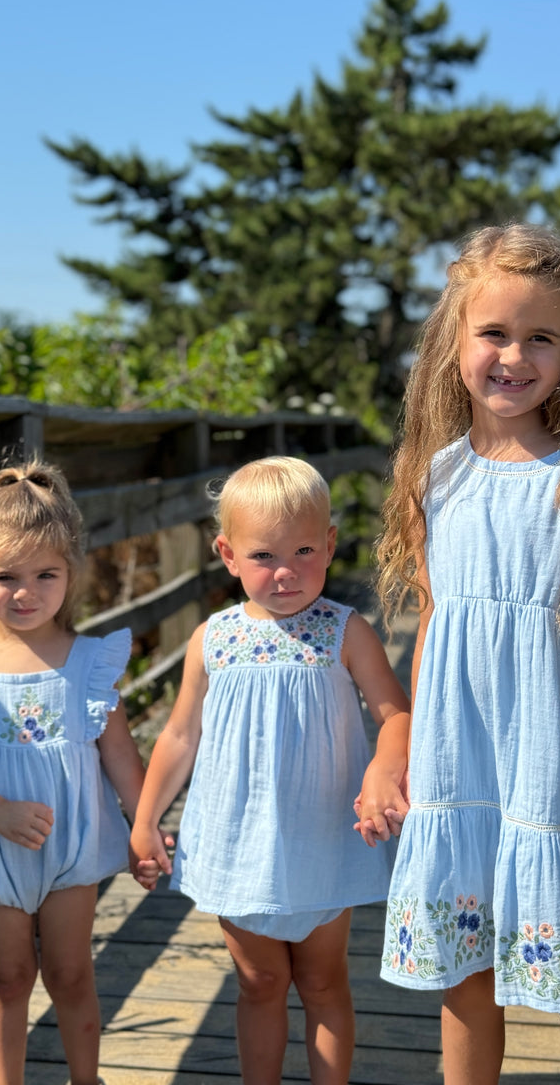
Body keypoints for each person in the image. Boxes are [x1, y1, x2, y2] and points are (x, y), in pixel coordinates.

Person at [357, 223, 560, 1085]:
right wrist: (408, 753)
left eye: (540, 337)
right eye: (494, 333)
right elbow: (437, 625)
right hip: (465, 767)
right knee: (465, 984)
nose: (515, 356)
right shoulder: (435, 475)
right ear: (454, 342)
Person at [129, 456, 410, 1085]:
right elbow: (179, 734)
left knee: (323, 982)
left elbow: (397, 715)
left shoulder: (346, 631)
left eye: (305, 549)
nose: (286, 571)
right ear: (227, 555)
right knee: (259, 982)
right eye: (263, 556)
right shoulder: (212, 638)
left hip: (323, 840)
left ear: (331, 545)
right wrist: (145, 819)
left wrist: (384, 772)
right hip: (237, 844)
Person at [0, 460, 151, 1085]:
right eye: (7, 576)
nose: (26, 592)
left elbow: (121, 756)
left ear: (71, 572)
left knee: (71, 971)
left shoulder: (89, 664)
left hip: (71, 843)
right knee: (8, 972)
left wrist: (143, 828)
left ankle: (86, 1078)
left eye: (45, 574)